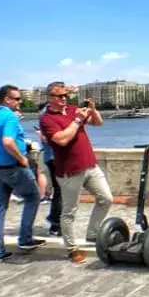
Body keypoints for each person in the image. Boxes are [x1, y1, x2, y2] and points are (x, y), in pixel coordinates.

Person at [39, 82, 113, 263]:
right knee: (69, 211)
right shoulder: (47, 119)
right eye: (60, 96)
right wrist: (77, 121)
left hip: (90, 165)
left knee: (106, 199)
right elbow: (61, 140)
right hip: (69, 172)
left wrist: (93, 110)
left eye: (65, 95)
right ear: (50, 97)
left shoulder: (73, 109)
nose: (64, 98)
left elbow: (98, 122)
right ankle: (71, 248)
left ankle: (93, 233)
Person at [0, 84, 45, 263]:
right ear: (6, 99)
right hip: (13, 167)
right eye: (17, 99)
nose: (20, 101)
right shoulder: (10, 117)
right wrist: (22, 159)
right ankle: (25, 239)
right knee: (33, 196)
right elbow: (8, 141)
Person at [35, 101, 62, 236]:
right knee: (61, 191)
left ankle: (55, 221)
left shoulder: (42, 116)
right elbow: (48, 138)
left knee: (59, 190)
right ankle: (56, 223)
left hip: (50, 157)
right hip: (55, 157)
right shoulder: (48, 115)